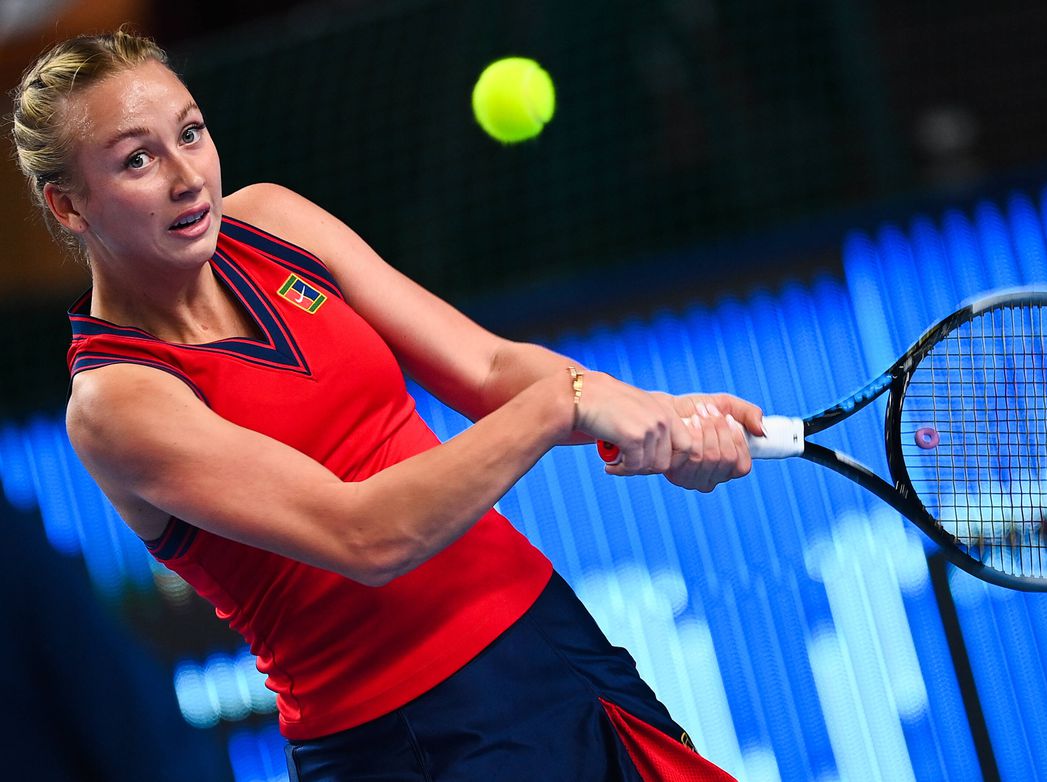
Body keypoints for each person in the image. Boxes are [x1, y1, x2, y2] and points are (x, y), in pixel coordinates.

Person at [10, 28, 763, 781]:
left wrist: (654, 414)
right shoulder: (116, 401)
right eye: (137, 159)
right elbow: (366, 536)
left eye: (191, 133)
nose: (186, 177)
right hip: (410, 740)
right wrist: (563, 406)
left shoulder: (272, 221)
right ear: (69, 205)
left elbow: (489, 365)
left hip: (552, 640)